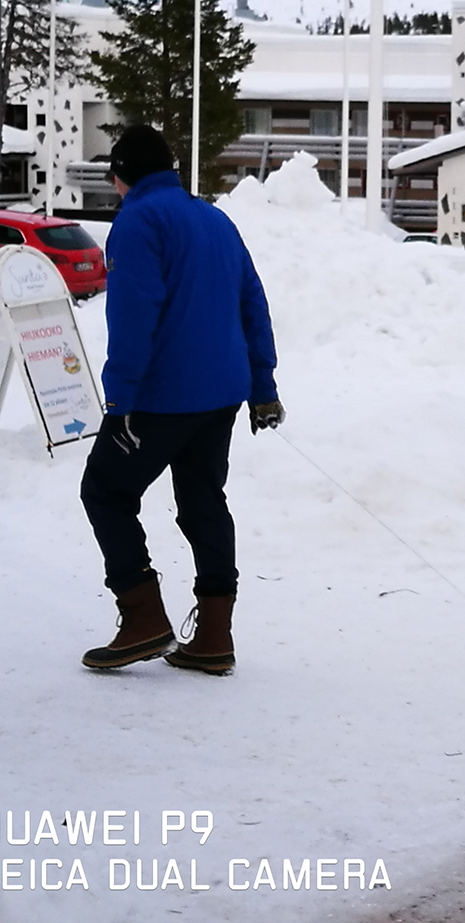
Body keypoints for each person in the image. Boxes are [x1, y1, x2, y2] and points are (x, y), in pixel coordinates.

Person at [78, 125, 283, 676]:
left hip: (159, 400)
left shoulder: (137, 222)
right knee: (204, 503)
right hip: (222, 398)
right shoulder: (215, 219)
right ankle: (215, 636)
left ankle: (143, 616)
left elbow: (133, 316)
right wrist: (263, 388)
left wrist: (118, 403)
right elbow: (252, 303)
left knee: (104, 491)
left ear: (123, 176)